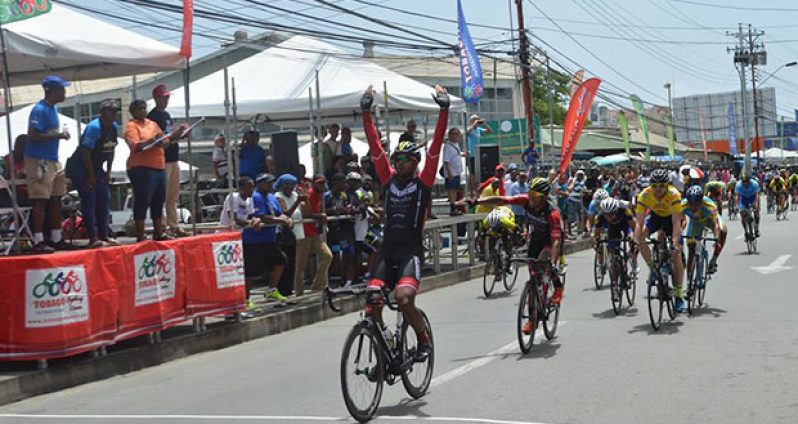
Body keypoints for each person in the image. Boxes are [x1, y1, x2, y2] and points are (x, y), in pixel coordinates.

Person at [360, 83, 450, 362]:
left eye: (404, 160)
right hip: (387, 252)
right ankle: (385, 348)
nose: (398, 163)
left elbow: (435, 147)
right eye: (396, 159)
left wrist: (443, 109)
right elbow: (375, 147)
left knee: (403, 299)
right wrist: (366, 112)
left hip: (411, 253)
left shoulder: (422, 183)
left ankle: (423, 340)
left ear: (415, 162)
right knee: (371, 304)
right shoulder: (387, 181)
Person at [471, 178, 564, 335]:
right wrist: (478, 200)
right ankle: (532, 319)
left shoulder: (552, 213)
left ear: (543, 196)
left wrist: (553, 262)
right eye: (530, 192)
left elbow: (555, 241)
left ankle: (558, 287)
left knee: (544, 262)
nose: (531, 196)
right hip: (536, 238)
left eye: (534, 194)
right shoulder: (526, 201)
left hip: (551, 240)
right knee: (533, 279)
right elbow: (502, 199)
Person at [26, 75, 73, 253]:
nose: (64, 92)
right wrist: (59, 135)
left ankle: (56, 237)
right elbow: (32, 136)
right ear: (51, 91)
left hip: (53, 159)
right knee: (40, 201)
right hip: (39, 160)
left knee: (56, 199)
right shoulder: (40, 110)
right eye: (61, 89)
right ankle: (38, 240)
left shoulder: (52, 109)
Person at [65, 99, 121, 248]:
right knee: (90, 199)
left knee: (104, 199)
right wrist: (91, 177)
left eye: (116, 111)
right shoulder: (94, 127)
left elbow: (111, 149)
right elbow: (85, 152)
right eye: (110, 111)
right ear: (102, 112)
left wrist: (108, 171)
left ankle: (104, 235)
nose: (113, 114)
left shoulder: (114, 127)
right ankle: (93, 237)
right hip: (80, 166)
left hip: (97, 167)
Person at [634, 168, 686, 313]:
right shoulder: (644, 195)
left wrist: (675, 244)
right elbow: (639, 223)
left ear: (667, 185)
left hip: (671, 220)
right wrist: (634, 243)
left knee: (676, 255)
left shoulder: (674, 194)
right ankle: (653, 269)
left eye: (662, 186)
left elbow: (676, 223)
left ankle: (679, 294)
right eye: (654, 186)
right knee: (640, 238)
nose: (658, 190)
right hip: (656, 218)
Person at [125, 99, 177, 242]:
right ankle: (140, 235)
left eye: (144, 108)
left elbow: (164, 141)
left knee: (159, 200)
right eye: (139, 109)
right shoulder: (132, 126)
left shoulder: (152, 124)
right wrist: (153, 141)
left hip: (159, 167)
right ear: (133, 112)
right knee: (142, 200)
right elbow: (135, 146)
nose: (143, 111)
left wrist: (173, 136)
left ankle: (158, 232)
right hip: (141, 168)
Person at [147, 85, 190, 238]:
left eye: (167, 97)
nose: (166, 100)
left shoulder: (166, 115)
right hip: (162, 159)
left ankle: (174, 225)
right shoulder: (152, 117)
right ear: (156, 98)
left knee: (173, 195)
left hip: (173, 157)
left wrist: (182, 134)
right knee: (162, 196)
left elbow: (170, 137)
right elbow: (160, 140)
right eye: (163, 97)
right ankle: (162, 227)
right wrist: (176, 134)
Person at [244, 173, 291, 305]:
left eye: (271, 183)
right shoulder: (255, 197)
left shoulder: (271, 197)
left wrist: (285, 217)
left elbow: (278, 212)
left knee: (281, 260)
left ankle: (271, 290)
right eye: (267, 183)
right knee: (251, 271)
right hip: (254, 241)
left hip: (269, 239)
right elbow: (262, 216)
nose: (270, 185)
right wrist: (281, 220)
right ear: (259, 184)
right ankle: (245, 299)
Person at [596, 197, 638, 301]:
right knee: (614, 258)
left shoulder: (624, 211)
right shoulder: (600, 217)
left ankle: (631, 260)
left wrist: (633, 240)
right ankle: (615, 285)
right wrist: (597, 244)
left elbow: (634, 227)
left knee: (633, 240)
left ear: (616, 211)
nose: (608, 217)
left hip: (625, 226)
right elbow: (596, 234)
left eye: (611, 214)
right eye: (606, 215)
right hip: (613, 230)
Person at [682, 186, 727, 277]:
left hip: (710, 220)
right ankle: (689, 280)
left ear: (701, 201)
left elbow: (715, 225)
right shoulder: (682, 205)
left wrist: (716, 237)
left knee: (723, 230)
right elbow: (678, 221)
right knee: (691, 249)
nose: (693, 206)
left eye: (697, 204)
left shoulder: (709, 205)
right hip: (696, 222)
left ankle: (714, 259)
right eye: (691, 203)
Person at [299, 174, 333, 292]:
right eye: (319, 183)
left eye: (323, 182)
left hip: (314, 232)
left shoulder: (321, 195)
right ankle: (299, 293)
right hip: (304, 232)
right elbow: (306, 214)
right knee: (301, 264)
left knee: (327, 256)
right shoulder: (309, 194)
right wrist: (319, 216)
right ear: (314, 183)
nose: (322, 185)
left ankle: (317, 286)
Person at [275, 173, 307, 297]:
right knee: (286, 264)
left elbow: (305, 212)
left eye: (291, 184)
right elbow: (286, 213)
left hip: (298, 233)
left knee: (295, 265)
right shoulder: (278, 196)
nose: (289, 186)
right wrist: (298, 201)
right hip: (285, 236)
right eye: (286, 184)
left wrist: (304, 199)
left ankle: (291, 291)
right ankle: (283, 291)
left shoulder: (295, 195)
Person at [466, 114, 493, 189]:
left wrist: (485, 124)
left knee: (478, 173)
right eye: (474, 120)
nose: (476, 121)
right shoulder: (470, 128)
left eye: (477, 119)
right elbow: (467, 132)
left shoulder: (479, 129)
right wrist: (474, 124)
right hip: (472, 154)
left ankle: (477, 189)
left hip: (478, 154)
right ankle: (471, 191)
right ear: (471, 121)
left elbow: (490, 131)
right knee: (472, 174)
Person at [442, 127, 465, 214]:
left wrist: (463, 155)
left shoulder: (456, 145)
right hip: (451, 172)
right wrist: (449, 173)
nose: (456, 136)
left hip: (457, 172)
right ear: (450, 135)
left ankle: (455, 206)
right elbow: (446, 161)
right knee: (451, 190)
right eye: (454, 134)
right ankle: (452, 207)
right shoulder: (447, 146)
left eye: (457, 134)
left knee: (455, 189)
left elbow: (457, 154)